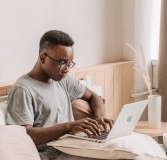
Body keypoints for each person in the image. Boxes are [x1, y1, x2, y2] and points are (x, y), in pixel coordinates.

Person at [6, 30, 114, 160]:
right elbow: (24, 135)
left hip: (74, 145)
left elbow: (93, 96)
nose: (67, 69)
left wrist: (99, 118)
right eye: (62, 62)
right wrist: (68, 126)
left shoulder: (63, 80)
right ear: (43, 58)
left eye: (70, 63)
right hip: (52, 154)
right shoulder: (23, 89)